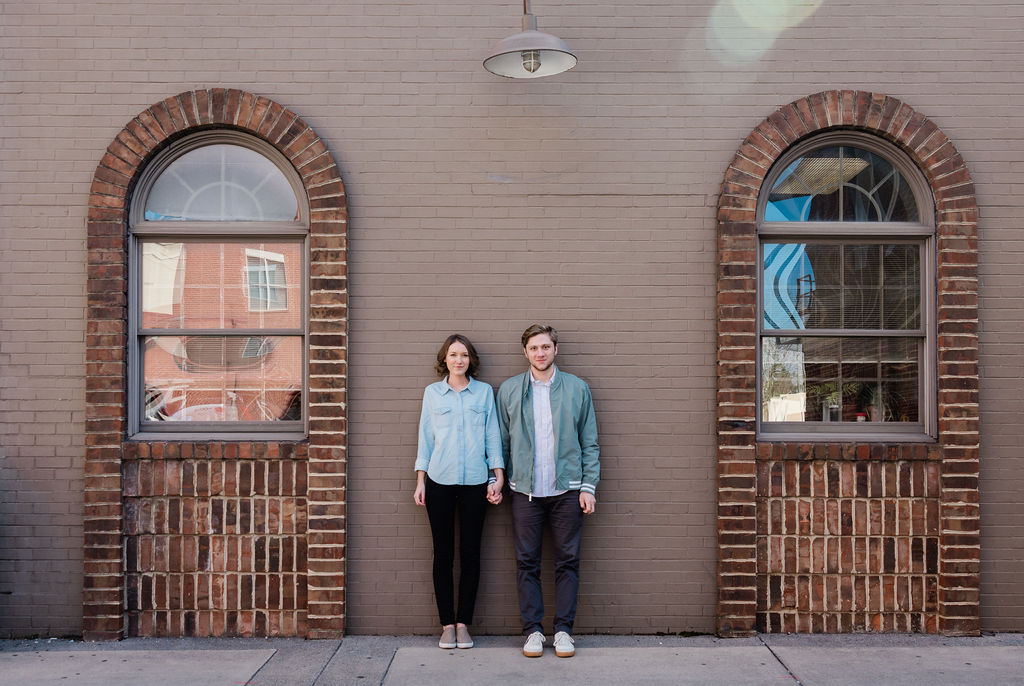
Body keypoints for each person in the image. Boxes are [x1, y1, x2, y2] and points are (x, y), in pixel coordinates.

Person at [496, 324, 600, 659]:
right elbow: (502, 443)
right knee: (527, 562)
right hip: (524, 491)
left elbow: (590, 443)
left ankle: (565, 631)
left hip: (567, 491)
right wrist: (495, 480)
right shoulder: (511, 390)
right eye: (534, 348)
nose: (540, 353)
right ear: (524, 352)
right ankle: (533, 632)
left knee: (567, 562)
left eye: (545, 347)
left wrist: (588, 486)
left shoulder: (577, 389)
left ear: (555, 349)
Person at [414, 334, 505, 650]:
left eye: (464, 355)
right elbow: (425, 438)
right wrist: (420, 480)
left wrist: (498, 476)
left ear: (470, 360)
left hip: (476, 484)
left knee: (470, 554)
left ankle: (463, 623)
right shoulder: (432, 394)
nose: (458, 360)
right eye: (453, 354)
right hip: (438, 481)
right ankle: (446, 625)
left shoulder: (483, 394)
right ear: (445, 359)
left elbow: (492, 435)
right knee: (443, 555)